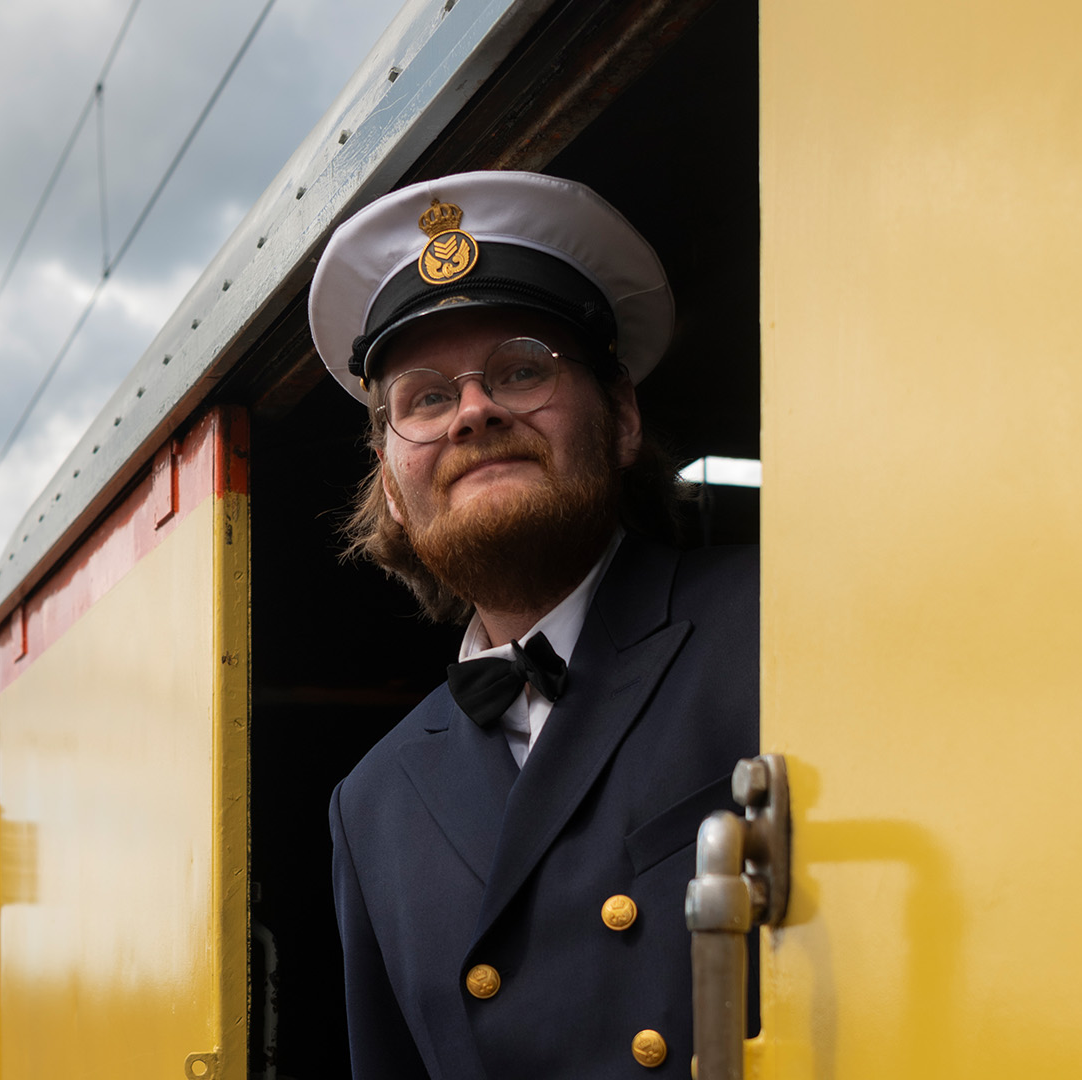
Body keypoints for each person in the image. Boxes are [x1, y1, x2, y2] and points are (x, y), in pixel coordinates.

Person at [307, 170, 760, 1078]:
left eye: (521, 369)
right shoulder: (371, 804)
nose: (473, 409)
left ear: (622, 417)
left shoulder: (775, 626)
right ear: (393, 487)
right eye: (426, 398)